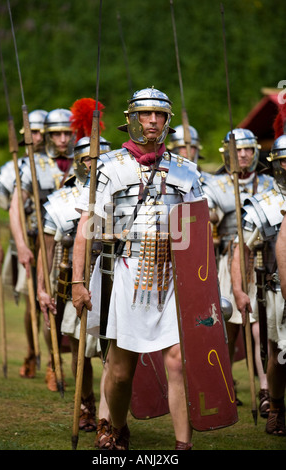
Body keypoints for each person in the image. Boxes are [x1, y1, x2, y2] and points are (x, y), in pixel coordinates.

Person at [71, 87, 204, 450]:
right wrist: (78, 282)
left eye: (159, 115)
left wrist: (201, 287)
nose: (152, 121)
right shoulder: (110, 167)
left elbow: (198, 233)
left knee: (176, 363)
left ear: (167, 121)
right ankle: (115, 426)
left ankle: (183, 445)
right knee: (120, 371)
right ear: (131, 119)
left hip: (171, 279)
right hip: (125, 272)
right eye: (145, 114)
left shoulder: (187, 172)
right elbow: (87, 225)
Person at [37, 135, 111, 445]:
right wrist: (42, 288)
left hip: (110, 280)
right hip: (73, 283)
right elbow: (47, 248)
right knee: (80, 350)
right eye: (88, 159)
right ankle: (86, 405)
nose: (94, 164)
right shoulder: (60, 200)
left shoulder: (120, 192)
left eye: (100, 158)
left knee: (110, 352)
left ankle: (110, 415)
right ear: (79, 162)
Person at [202, 128, 273, 415]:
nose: (242, 154)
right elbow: (206, 214)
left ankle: (266, 390)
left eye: (247, 149)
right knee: (227, 328)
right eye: (237, 149)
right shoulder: (216, 184)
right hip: (228, 262)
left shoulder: (269, 183)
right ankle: (224, 382)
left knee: (260, 329)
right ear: (227, 153)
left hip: (263, 262)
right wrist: (211, 213)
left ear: (255, 151)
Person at [9, 108, 75, 390]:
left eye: (67, 133)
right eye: (56, 134)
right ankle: (51, 360)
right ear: (47, 136)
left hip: (76, 244)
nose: (62, 140)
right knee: (44, 305)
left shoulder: (84, 159)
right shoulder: (32, 164)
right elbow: (14, 208)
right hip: (43, 243)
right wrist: (22, 245)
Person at [0, 109, 48, 379]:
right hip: (28, 244)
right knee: (32, 301)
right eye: (30, 132)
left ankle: (54, 360)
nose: (34, 137)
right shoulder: (13, 167)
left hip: (56, 243)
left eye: (39, 132)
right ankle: (33, 353)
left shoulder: (60, 165)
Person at [231, 134, 286, 436]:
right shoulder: (265, 204)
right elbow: (242, 248)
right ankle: (276, 406)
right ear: (276, 165)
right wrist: (239, 289)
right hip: (277, 292)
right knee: (279, 355)